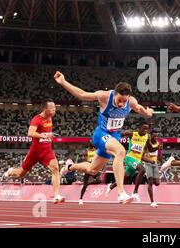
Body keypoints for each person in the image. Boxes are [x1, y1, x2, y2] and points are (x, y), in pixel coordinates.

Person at [54, 71, 153, 203]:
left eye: (124, 101)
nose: (121, 104)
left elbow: (142, 110)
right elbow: (82, 95)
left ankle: (69, 167)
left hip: (113, 137)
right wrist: (63, 82)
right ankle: (121, 193)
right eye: (119, 100)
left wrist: (149, 112)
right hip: (100, 134)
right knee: (120, 151)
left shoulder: (131, 102)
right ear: (115, 94)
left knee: (92, 170)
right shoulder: (104, 97)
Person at [3, 100, 65, 204]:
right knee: (20, 174)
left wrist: (49, 134)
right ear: (45, 109)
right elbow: (30, 133)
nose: (55, 110)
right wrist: (44, 135)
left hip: (47, 151)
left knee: (55, 168)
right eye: (52, 108)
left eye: (55, 108)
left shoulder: (50, 117)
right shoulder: (36, 119)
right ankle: (9, 172)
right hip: (35, 152)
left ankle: (56, 196)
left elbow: (46, 130)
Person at [105, 123, 151, 202]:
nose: (145, 130)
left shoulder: (147, 136)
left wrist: (156, 147)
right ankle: (135, 193)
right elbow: (120, 134)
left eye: (147, 129)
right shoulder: (132, 134)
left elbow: (149, 148)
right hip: (130, 158)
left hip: (138, 159)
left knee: (125, 177)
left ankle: (111, 186)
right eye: (144, 128)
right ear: (139, 128)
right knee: (142, 170)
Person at [142, 129, 162, 208]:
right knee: (150, 182)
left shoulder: (158, 143)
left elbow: (159, 154)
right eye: (154, 136)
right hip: (148, 164)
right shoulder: (147, 144)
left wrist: (161, 161)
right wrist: (149, 160)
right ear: (151, 136)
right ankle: (152, 201)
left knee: (157, 183)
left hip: (155, 164)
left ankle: (148, 179)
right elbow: (142, 156)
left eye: (157, 136)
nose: (156, 137)